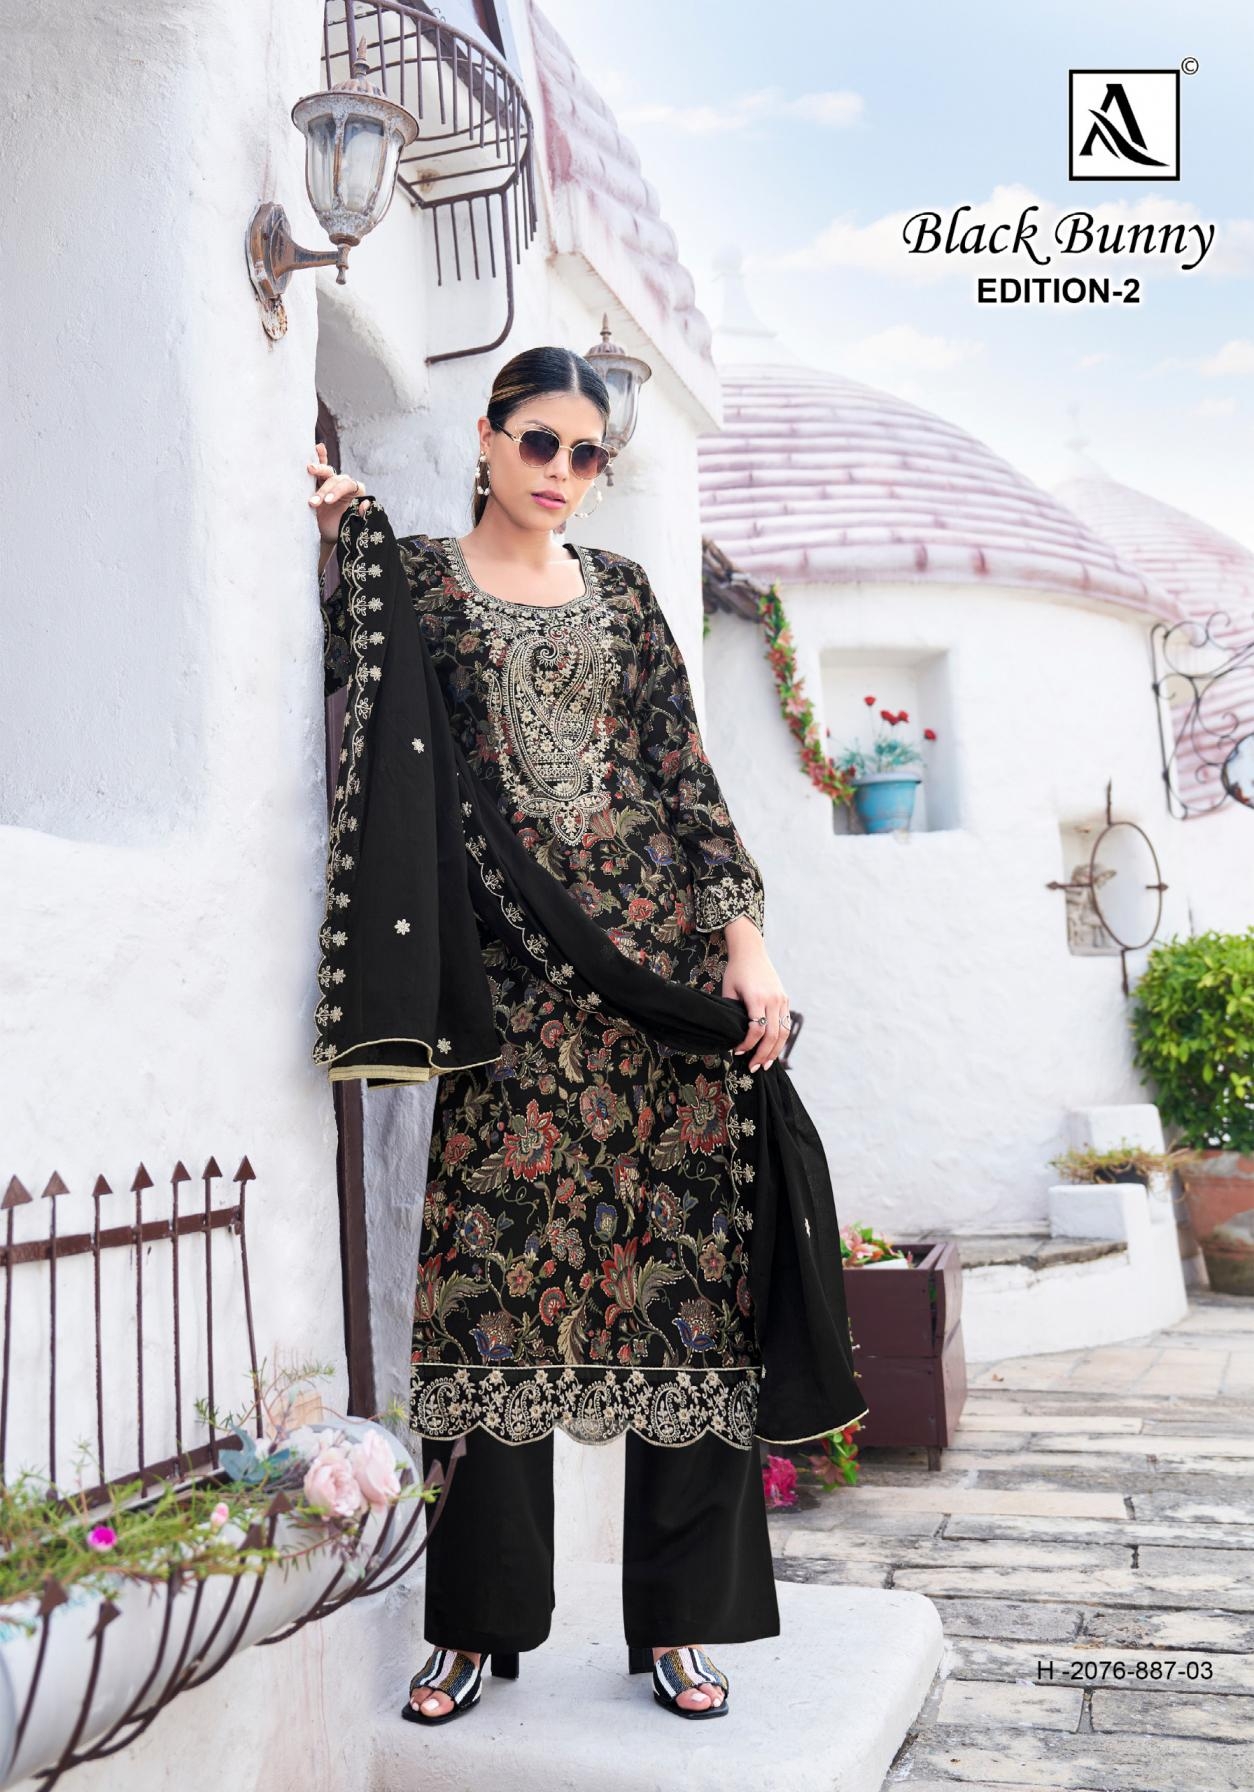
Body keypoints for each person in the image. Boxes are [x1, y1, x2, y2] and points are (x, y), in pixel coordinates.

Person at [310, 346, 797, 1725]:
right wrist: (345, 536)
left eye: (588, 455)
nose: (562, 473)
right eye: (539, 442)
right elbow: (355, 675)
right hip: (513, 993)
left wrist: (743, 940)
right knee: (489, 1292)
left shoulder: (628, 595)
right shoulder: (418, 582)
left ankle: (678, 1630)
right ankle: (475, 1628)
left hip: (661, 994)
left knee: (683, 1299)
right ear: (485, 436)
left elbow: (683, 781)